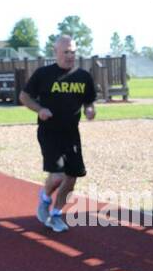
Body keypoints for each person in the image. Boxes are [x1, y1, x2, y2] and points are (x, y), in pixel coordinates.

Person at [18, 35, 96, 232]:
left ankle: (56, 214)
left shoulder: (83, 76)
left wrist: (89, 109)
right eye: (66, 52)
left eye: (73, 52)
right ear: (56, 53)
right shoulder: (44, 74)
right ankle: (45, 198)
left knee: (71, 179)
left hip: (72, 133)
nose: (70, 56)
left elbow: (89, 101)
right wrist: (39, 110)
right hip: (49, 132)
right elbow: (24, 96)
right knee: (58, 177)